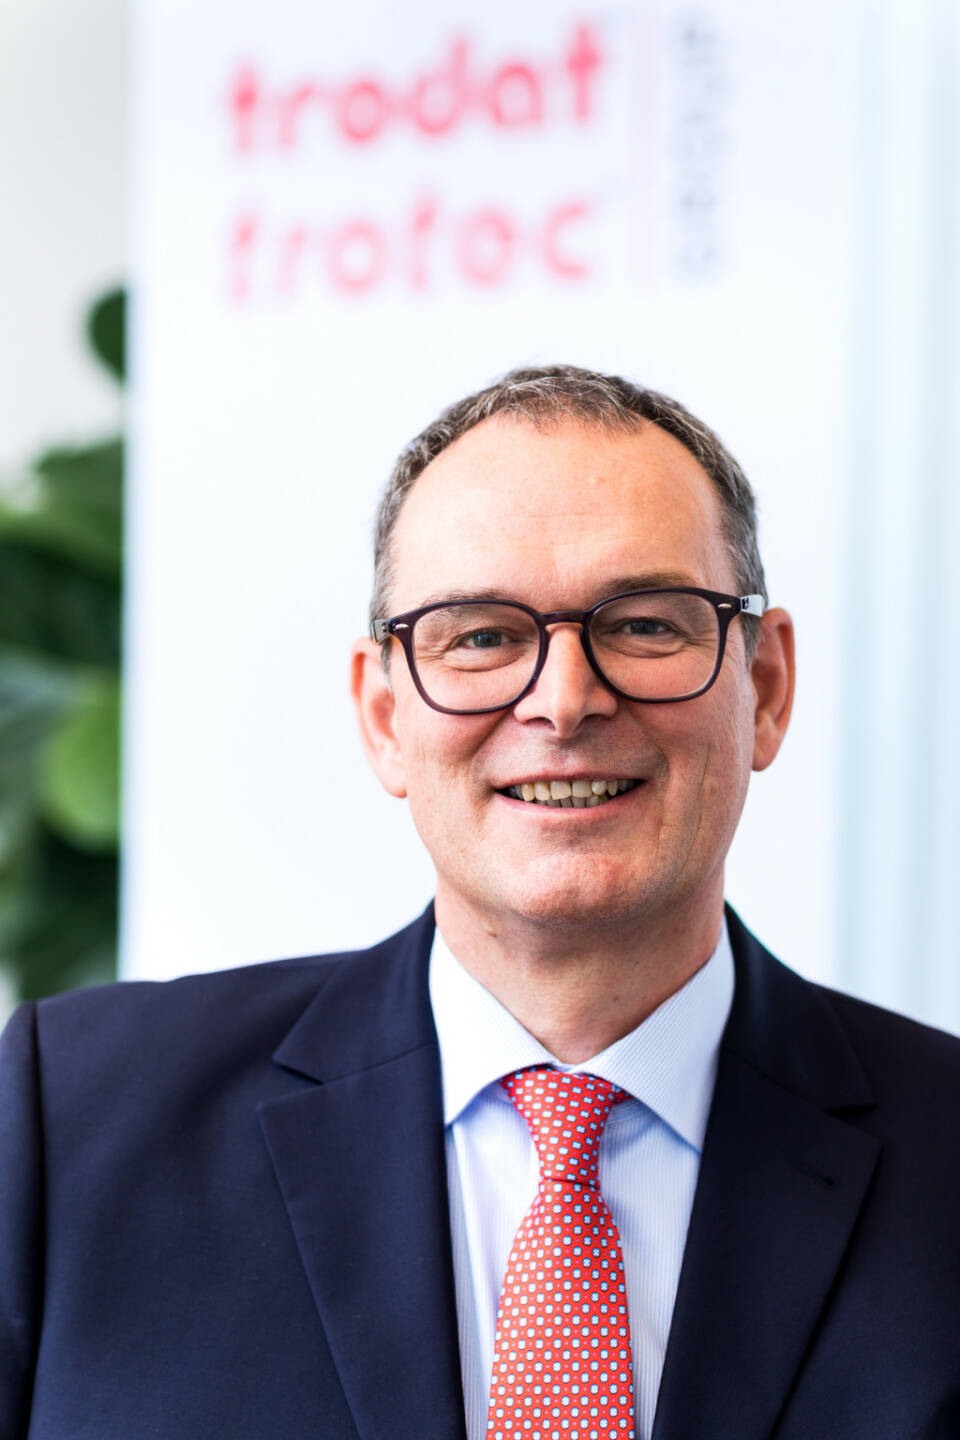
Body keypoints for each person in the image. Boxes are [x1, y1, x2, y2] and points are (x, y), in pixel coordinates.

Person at [1, 365, 958, 1440]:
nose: (564, 701)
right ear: (383, 716)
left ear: (766, 688)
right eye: (481, 636)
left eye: (647, 625)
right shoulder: (70, 1120)